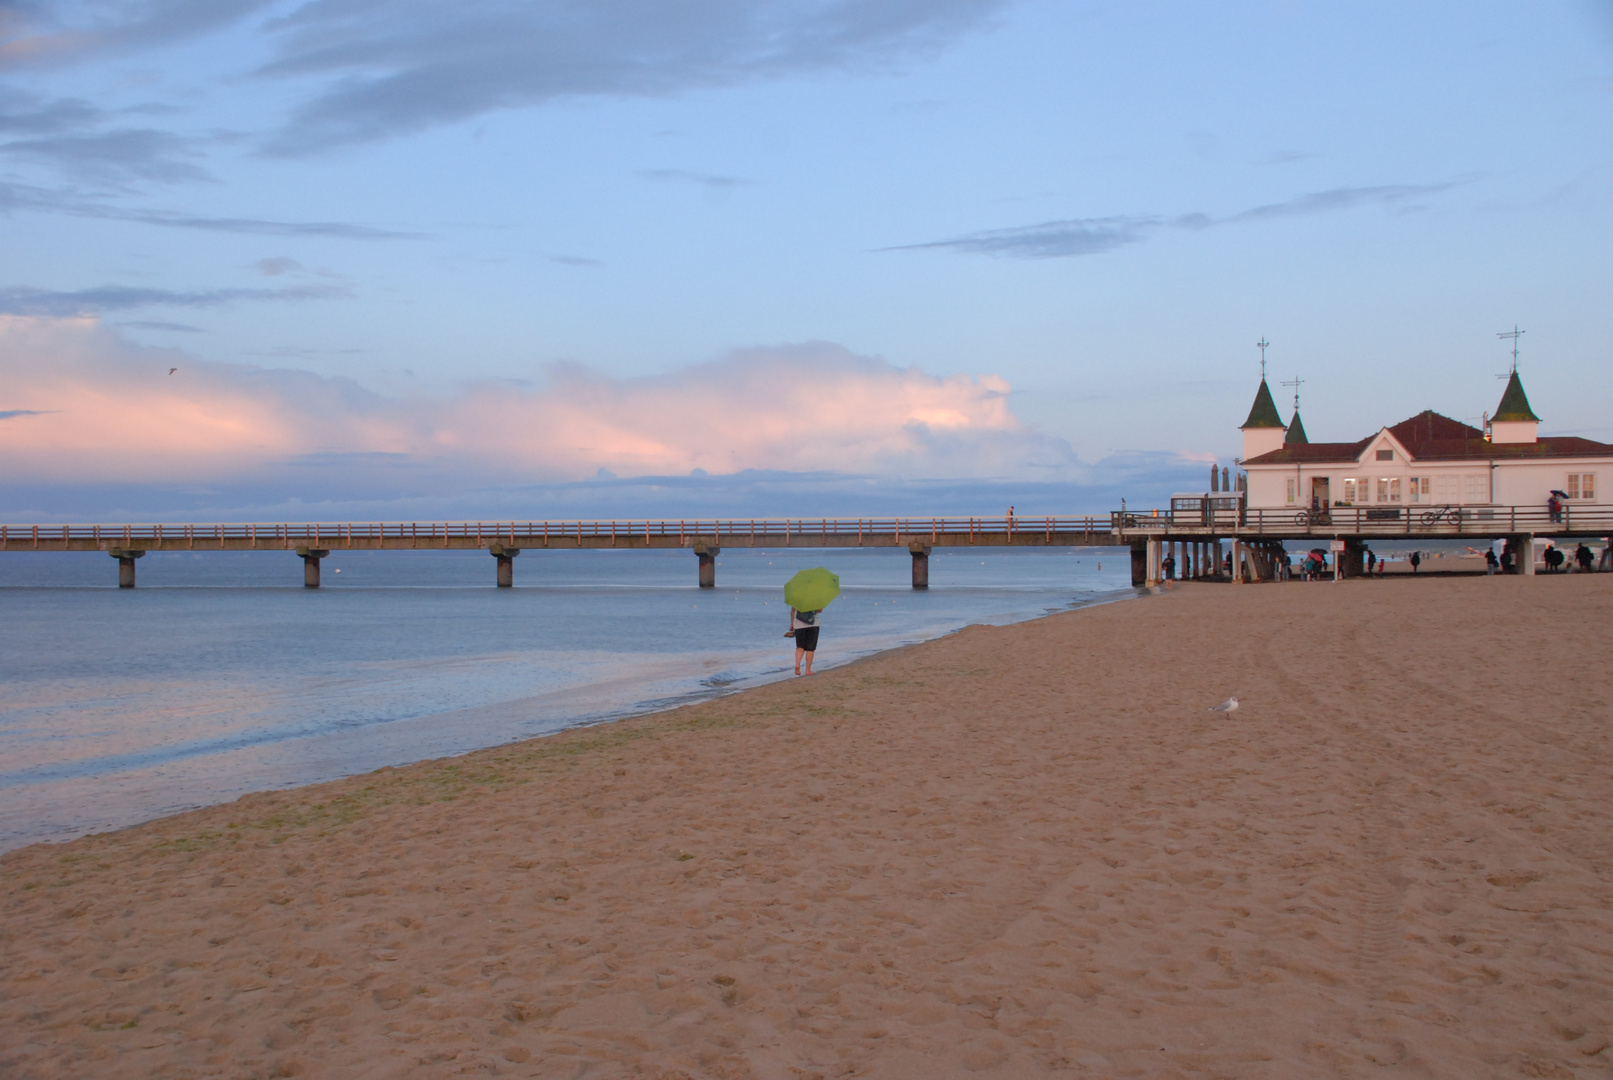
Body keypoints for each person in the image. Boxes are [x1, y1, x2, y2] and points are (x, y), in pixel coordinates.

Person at [789, 606, 822, 675]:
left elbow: (792, 611)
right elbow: (819, 610)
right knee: (810, 649)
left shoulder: (796, 597)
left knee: (800, 647)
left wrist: (792, 624)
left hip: (798, 625)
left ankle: (797, 664)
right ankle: (807, 670)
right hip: (813, 624)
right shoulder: (815, 597)